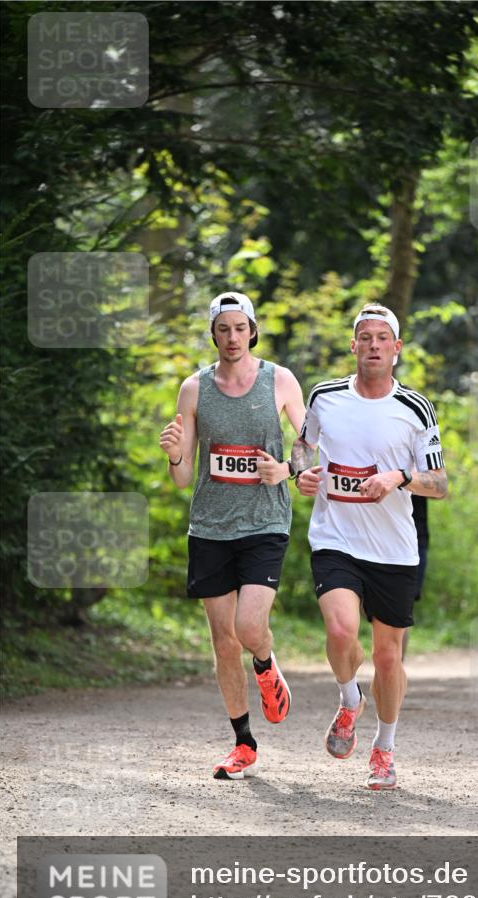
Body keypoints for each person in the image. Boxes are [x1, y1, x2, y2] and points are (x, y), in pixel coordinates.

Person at [290, 302, 447, 790]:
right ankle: (349, 699)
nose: (373, 346)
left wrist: (398, 477)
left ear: (396, 349)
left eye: (383, 339)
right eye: (365, 337)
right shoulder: (325, 396)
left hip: (393, 549)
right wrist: (302, 473)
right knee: (340, 630)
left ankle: (384, 747)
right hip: (335, 538)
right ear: (353, 345)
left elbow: (439, 483)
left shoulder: (415, 408)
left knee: (386, 658)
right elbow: (302, 447)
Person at [159, 291, 306, 779]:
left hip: (265, 522)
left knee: (248, 628)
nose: (232, 337)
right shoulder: (194, 389)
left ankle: (264, 662)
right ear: (213, 334)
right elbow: (183, 478)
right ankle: (243, 743)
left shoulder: (279, 380)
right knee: (223, 642)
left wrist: (286, 469)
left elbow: (311, 444)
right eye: (223, 329)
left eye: (240, 328)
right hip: (211, 527)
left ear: (253, 331)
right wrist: (176, 454)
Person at [402, 495, 430, 660]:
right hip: (357, 540)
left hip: (412, 541)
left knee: (402, 609)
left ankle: (395, 667)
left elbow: (440, 490)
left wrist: (401, 481)